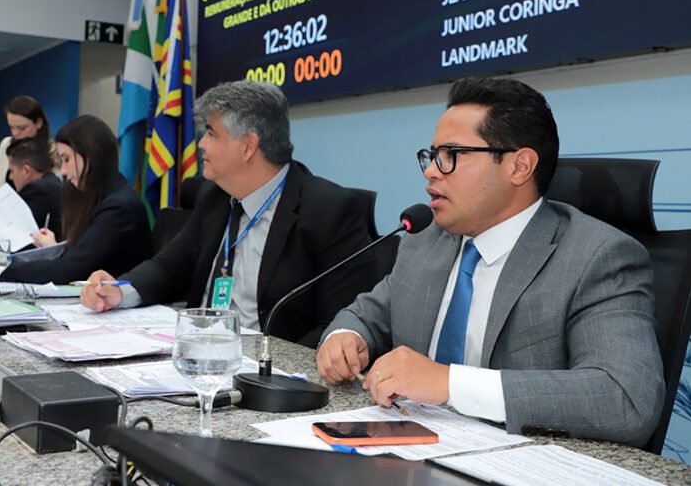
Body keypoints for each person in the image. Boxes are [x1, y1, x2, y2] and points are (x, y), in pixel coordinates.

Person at [316, 77, 664, 447]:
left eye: (452, 154)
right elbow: (370, 313)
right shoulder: (426, 238)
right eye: (432, 155)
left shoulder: (596, 257)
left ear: (519, 166)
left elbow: (625, 399)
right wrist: (346, 337)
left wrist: (450, 383)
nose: (431, 171)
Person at [79, 80, 380, 347]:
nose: (201, 144)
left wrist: (266, 366)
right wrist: (119, 291)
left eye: (211, 133)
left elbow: (339, 325)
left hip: (269, 372)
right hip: (200, 352)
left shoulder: (328, 211)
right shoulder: (215, 197)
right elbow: (169, 266)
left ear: (248, 147)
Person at [0, 115, 151, 284]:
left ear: (91, 155)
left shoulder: (119, 208)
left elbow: (70, 269)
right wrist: (53, 248)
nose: (64, 171)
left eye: (66, 159)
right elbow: (81, 258)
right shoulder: (101, 197)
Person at [0, 95, 58, 194]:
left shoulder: (53, 151)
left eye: (22, 128)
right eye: (11, 127)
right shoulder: (6, 144)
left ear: (38, 123)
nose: (15, 133)